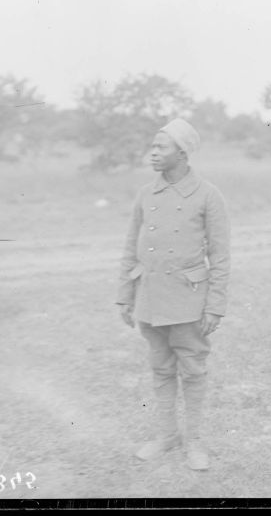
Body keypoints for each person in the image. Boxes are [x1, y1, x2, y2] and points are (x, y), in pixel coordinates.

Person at [116, 118, 231, 471]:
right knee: (161, 370)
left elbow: (221, 256)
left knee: (193, 372)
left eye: (160, 147)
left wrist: (215, 306)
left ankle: (194, 441)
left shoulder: (208, 195)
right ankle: (166, 436)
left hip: (189, 301)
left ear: (182, 153)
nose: (152, 153)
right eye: (152, 146)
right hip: (150, 299)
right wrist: (124, 295)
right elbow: (130, 247)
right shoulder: (146, 194)